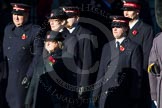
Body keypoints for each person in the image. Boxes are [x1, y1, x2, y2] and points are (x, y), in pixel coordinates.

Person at [93, 15, 143, 108]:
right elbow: (101, 72)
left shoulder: (134, 47)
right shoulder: (107, 47)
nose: (114, 29)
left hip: (123, 97)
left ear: (125, 28)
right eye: (113, 26)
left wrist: (134, 98)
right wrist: (96, 93)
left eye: (118, 26)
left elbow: (136, 77)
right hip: (105, 95)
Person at [3, 3, 43, 108]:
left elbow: (38, 56)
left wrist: (28, 76)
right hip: (6, 77)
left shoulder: (34, 31)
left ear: (26, 14)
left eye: (19, 14)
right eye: (14, 14)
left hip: (21, 78)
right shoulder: (8, 29)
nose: (16, 17)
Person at [60, 6, 97, 107]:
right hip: (62, 81)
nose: (66, 19)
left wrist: (84, 85)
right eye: (65, 17)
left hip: (77, 82)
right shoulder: (61, 33)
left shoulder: (86, 34)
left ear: (77, 18)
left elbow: (88, 62)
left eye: (69, 17)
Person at [122, 0, 154, 107]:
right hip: (123, 78)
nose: (125, 13)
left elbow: (146, 56)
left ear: (137, 11)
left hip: (138, 79)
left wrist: (139, 79)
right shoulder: (121, 29)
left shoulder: (146, 29)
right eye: (124, 10)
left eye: (129, 10)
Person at [25, 31, 65, 108]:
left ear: (58, 43)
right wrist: (28, 100)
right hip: (38, 100)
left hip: (52, 102)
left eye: (51, 41)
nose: (47, 43)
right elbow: (34, 81)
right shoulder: (42, 59)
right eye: (46, 41)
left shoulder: (62, 59)